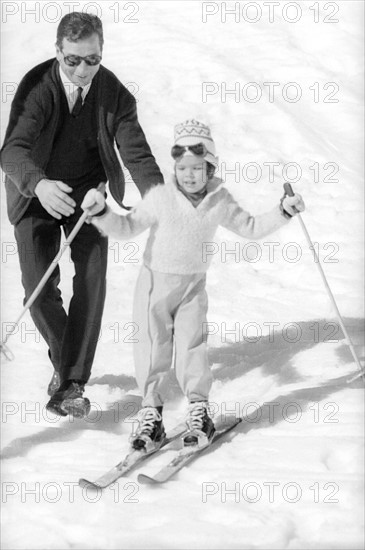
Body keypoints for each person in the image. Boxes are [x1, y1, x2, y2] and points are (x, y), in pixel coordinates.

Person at [81, 119, 305, 448]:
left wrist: (283, 212)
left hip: (192, 287)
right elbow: (127, 228)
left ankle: (199, 408)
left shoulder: (219, 201)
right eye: (182, 167)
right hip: (155, 285)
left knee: (192, 346)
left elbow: (252, 227)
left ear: (210, 168)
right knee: (152, 347)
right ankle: (151, 415)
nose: (188, 174)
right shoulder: (161, 197)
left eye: (197, 168)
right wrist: (101, 213)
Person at [0, 12, 163, 418]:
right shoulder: (37, 86)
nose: (82, 69)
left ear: (101, 52)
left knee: (92, 280)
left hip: (90, 195)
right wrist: (38, 183)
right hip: (35, 193)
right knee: (38, 290)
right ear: (58, 52)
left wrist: (161, 201)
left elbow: (137, 154)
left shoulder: (116, 95)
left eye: (91, 59)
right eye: (72, 59)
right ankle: (65, 360)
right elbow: (12, 150)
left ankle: (72, 382)